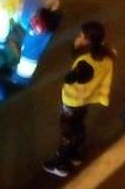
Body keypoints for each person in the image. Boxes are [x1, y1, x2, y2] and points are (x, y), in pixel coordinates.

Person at [43, 21, 115, 177]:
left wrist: (75, 49)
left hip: (72, 101)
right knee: (78, 126)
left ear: (88, 41)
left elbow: (70, 78)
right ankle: (76, 155)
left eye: (81, 36)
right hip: (85, 100)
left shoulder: (85, 63)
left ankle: (61, 164)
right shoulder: (105, 56)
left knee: (67, 132)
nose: (79, 37)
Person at [0, 0, 61, 85]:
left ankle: (21, 79)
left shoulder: (1, 10)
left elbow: (2, 31)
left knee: (29, 49)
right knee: (24, 25)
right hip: (53, 2)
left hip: (44, 18)